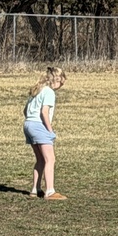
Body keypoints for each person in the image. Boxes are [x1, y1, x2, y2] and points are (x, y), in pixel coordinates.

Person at [23, 66, 67, 200]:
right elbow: (44, 112)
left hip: (28, 124)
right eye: (61, 82)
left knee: (40, 159)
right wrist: (49, 130)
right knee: (50, 159)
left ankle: (35, 190)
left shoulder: (37, 90)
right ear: (57, 79)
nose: (61, 85)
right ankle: (50, 191)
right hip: (39, 126)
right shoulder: (49, 92)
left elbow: (25, 111)